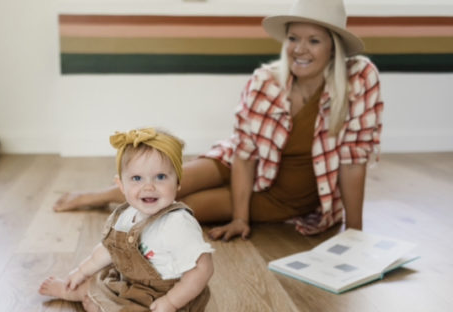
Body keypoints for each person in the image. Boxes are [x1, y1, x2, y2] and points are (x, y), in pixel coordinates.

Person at [53, 0, 383, 241]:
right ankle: (97, 195)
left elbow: (353, 160)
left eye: (314, 40)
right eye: (294, 38)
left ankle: (121, 211)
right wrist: (240, 218)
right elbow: (243, 153)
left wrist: (355, 233)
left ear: (333, 48)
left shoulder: (360, 79)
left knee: (177, 206)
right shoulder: (265, 80)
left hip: (282, 194)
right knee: (166, 178)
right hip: (237, 162)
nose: (300, 49)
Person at [39, 128, 214, 312]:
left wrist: (171, 302)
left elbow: (203, 269)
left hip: (168, 299)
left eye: (160, 177)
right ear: (121, 185)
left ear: (178, 182)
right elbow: (108, 249)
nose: (148, 186)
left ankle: (101, 311)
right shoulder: (126, 215)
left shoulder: (177, 224)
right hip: (130, 285)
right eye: (136, 178)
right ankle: (75, 290)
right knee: (99, 281)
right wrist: (81, 271)